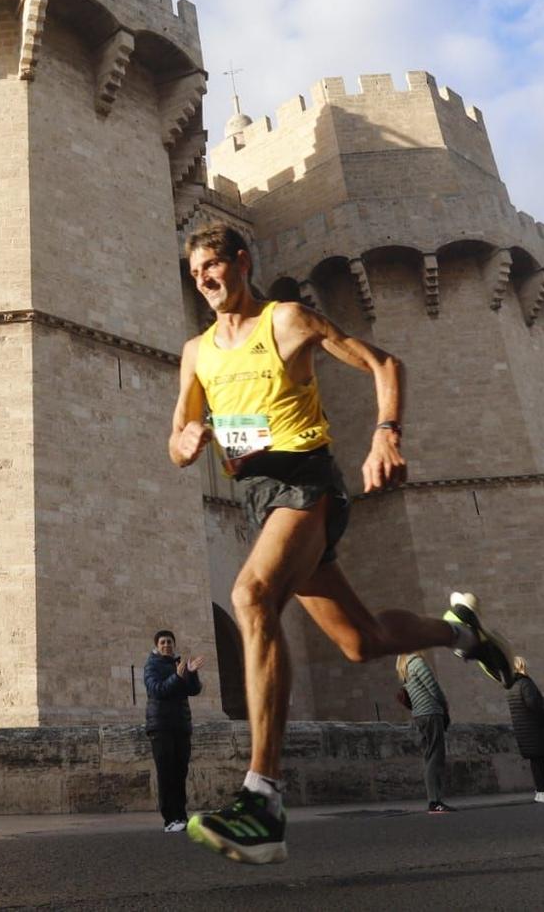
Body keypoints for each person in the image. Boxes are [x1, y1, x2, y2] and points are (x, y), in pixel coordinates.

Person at [169, 224, 515, 865]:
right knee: (362, 643)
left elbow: (385, 363)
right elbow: (179, 434)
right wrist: (185, 444)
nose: (207, 280)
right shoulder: (196, 352)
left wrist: (386, 432)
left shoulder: (289, 320)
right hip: (257, 499)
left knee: (250, 597)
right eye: (196, 273)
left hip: (307, 485)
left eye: (215, 266)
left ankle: (263, 799)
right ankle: (462, 633)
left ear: (243, 262)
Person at [143, 631, 204, 831]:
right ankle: (170, 820)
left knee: (180, 772)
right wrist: (177, 677)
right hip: (160, 726)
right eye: (163, 642)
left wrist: (192, 673)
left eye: (169, 642)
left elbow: (193, 690)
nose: (167, 645)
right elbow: (157, 690)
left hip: (180, 725)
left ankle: (181, 816)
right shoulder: (151, 666)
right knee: (166, 773)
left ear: (174, 645)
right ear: (157, 646)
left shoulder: (179, 664)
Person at [399, 651, 453, 813]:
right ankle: (435, 801)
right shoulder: (417, 663)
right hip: (430, 712)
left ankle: (434, 800)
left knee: (430, 755)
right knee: (435, 756)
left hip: (419, 714)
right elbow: (433, 688)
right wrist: (445, 705)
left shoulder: (404, 667)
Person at [507, 656, 544, 803]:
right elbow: (533, 704)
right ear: (521, 666)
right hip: (533, 726)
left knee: (536, 760)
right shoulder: (525, 683)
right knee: (538, 760)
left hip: (523, 727)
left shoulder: (512, 685)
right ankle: (542, 791)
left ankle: (541, 790)